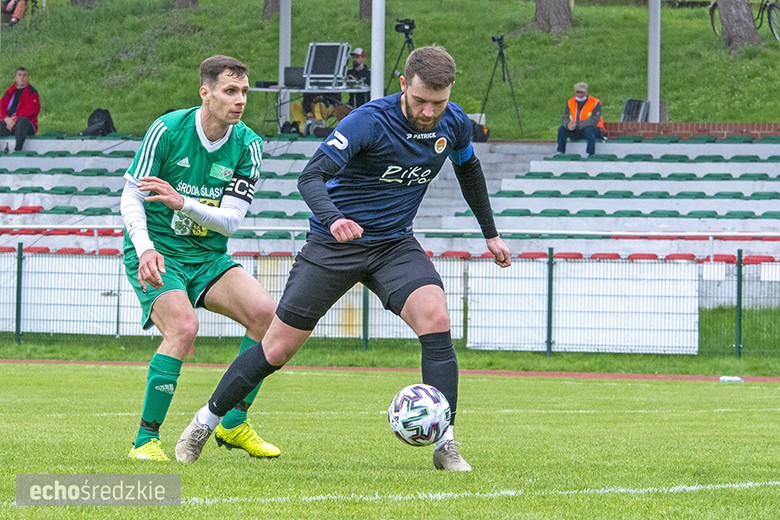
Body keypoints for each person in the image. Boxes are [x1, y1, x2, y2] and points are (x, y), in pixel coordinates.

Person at [175, 45, 512, 472]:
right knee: (276, 348)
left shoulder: (455, 122)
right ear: (403, 85)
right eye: (420, 101)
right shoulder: (368, 121)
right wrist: (334, 219)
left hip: (393, 245)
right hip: (334, 244)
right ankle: (204, 423)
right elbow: (310, 177)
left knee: (437, 319)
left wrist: (490, 233)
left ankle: (445, 443)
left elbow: (469, 171)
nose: (429, 112)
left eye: (438, 103)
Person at [121, 55, 280, 462]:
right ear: (205, 93)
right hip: (160, 253)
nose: (240, 100)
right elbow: (132, 195)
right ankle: (145, 441)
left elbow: (230, 222)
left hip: (209, 256)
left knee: (267, 317)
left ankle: (233, 423)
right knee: (183, 327)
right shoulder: (168, 129)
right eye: (231, 91)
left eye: (244, 92)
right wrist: (144, 248)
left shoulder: (248, 145)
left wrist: (183, 202)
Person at [556, 82, 605, 156]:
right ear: (574, 92)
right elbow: (565, 117)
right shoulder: (570, 102)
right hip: (578, 130)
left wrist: (577, 124)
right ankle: (560, 152)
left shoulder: (595, 102)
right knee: (561, 129)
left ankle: (590, 153)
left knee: (589, 129)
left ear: (586, 92)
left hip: (596, 130)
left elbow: (594, 120)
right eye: (577, 92)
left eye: (582, 92)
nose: (580, 94)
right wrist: (568, 125)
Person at [0, 67, 39, 152]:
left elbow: (30, 111)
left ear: (28, 78)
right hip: (9, 124)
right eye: (20, 75)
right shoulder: (10, 91)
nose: (22, 77)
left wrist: (14, 120)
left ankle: (17, 150)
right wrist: (6, 119)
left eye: (24, 75)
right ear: (15, 77)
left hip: (25, 125)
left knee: (21, 121)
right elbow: (1, 106)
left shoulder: (32, 93)